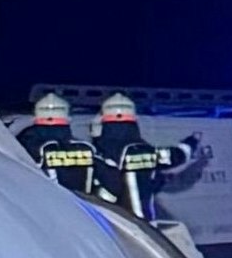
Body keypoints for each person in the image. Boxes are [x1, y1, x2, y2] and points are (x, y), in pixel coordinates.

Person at [93, 92, 185, 220]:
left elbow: (108, 187)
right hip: (146, 223)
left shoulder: (101, 152)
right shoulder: (147, 150)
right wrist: (192, 141)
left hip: (115, 221)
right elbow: (178, 155)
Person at [14, 93, 100, 198]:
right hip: (84, 205)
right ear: (68, 118)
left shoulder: (25, 146)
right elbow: (110, 181)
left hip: (41, 203)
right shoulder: (85, 148)